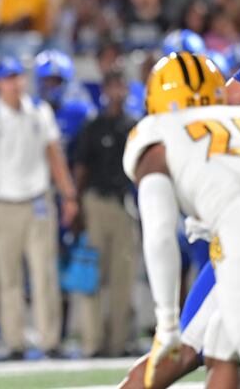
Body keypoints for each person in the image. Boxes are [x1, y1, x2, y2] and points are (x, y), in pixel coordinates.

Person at [121, 51, 240, 387]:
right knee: (220, 349)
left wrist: (166, 321)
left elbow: (160, 234)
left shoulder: (156, 133)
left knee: (187, 349)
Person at [0, 56, 77, 359]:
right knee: (8, 276)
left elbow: (54, 156)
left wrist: (68, 196)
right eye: (8, 78)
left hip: (39, 201)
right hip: (2, 206)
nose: (15, 83)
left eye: (18, 77)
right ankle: (15, 341)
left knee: (44, 274)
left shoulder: (40, 111)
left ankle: (50, 340)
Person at [73, 71, 138, 358]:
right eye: (112, 85)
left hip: (125, 204)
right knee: (92, 274)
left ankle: (119, 342)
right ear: (104, 90)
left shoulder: (135, 125)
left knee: (123, 277)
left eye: (121, 85)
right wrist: (76, 204)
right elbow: (82, 168)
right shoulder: (94, 126)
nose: (117, 91)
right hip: (96, 203)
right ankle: (93, 342)